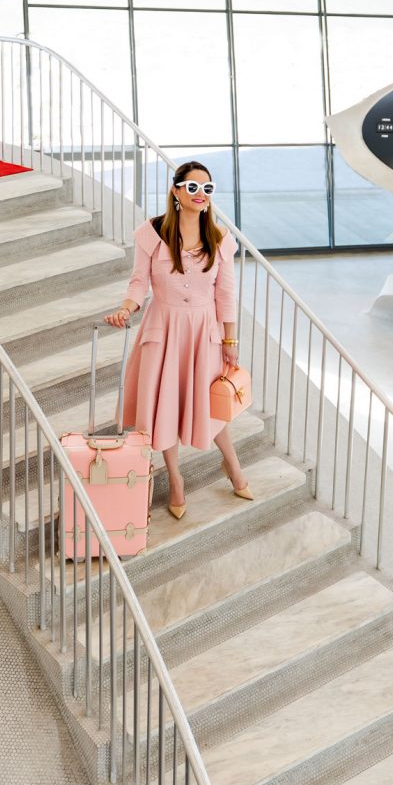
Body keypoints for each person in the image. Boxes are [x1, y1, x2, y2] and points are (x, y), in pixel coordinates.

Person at [104, 161, 252, 519]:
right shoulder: (152, 233)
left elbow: (226, 295)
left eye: (207, 188)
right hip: (163, 330)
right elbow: (139, 281)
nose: (200, 194)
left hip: (205, 335)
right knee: (165, 409)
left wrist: (229, 343)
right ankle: (175, 480)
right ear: (176, 191)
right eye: (192, 188)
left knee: (210, 405)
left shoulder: (219, 240)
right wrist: (127, 307)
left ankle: (231, 465)